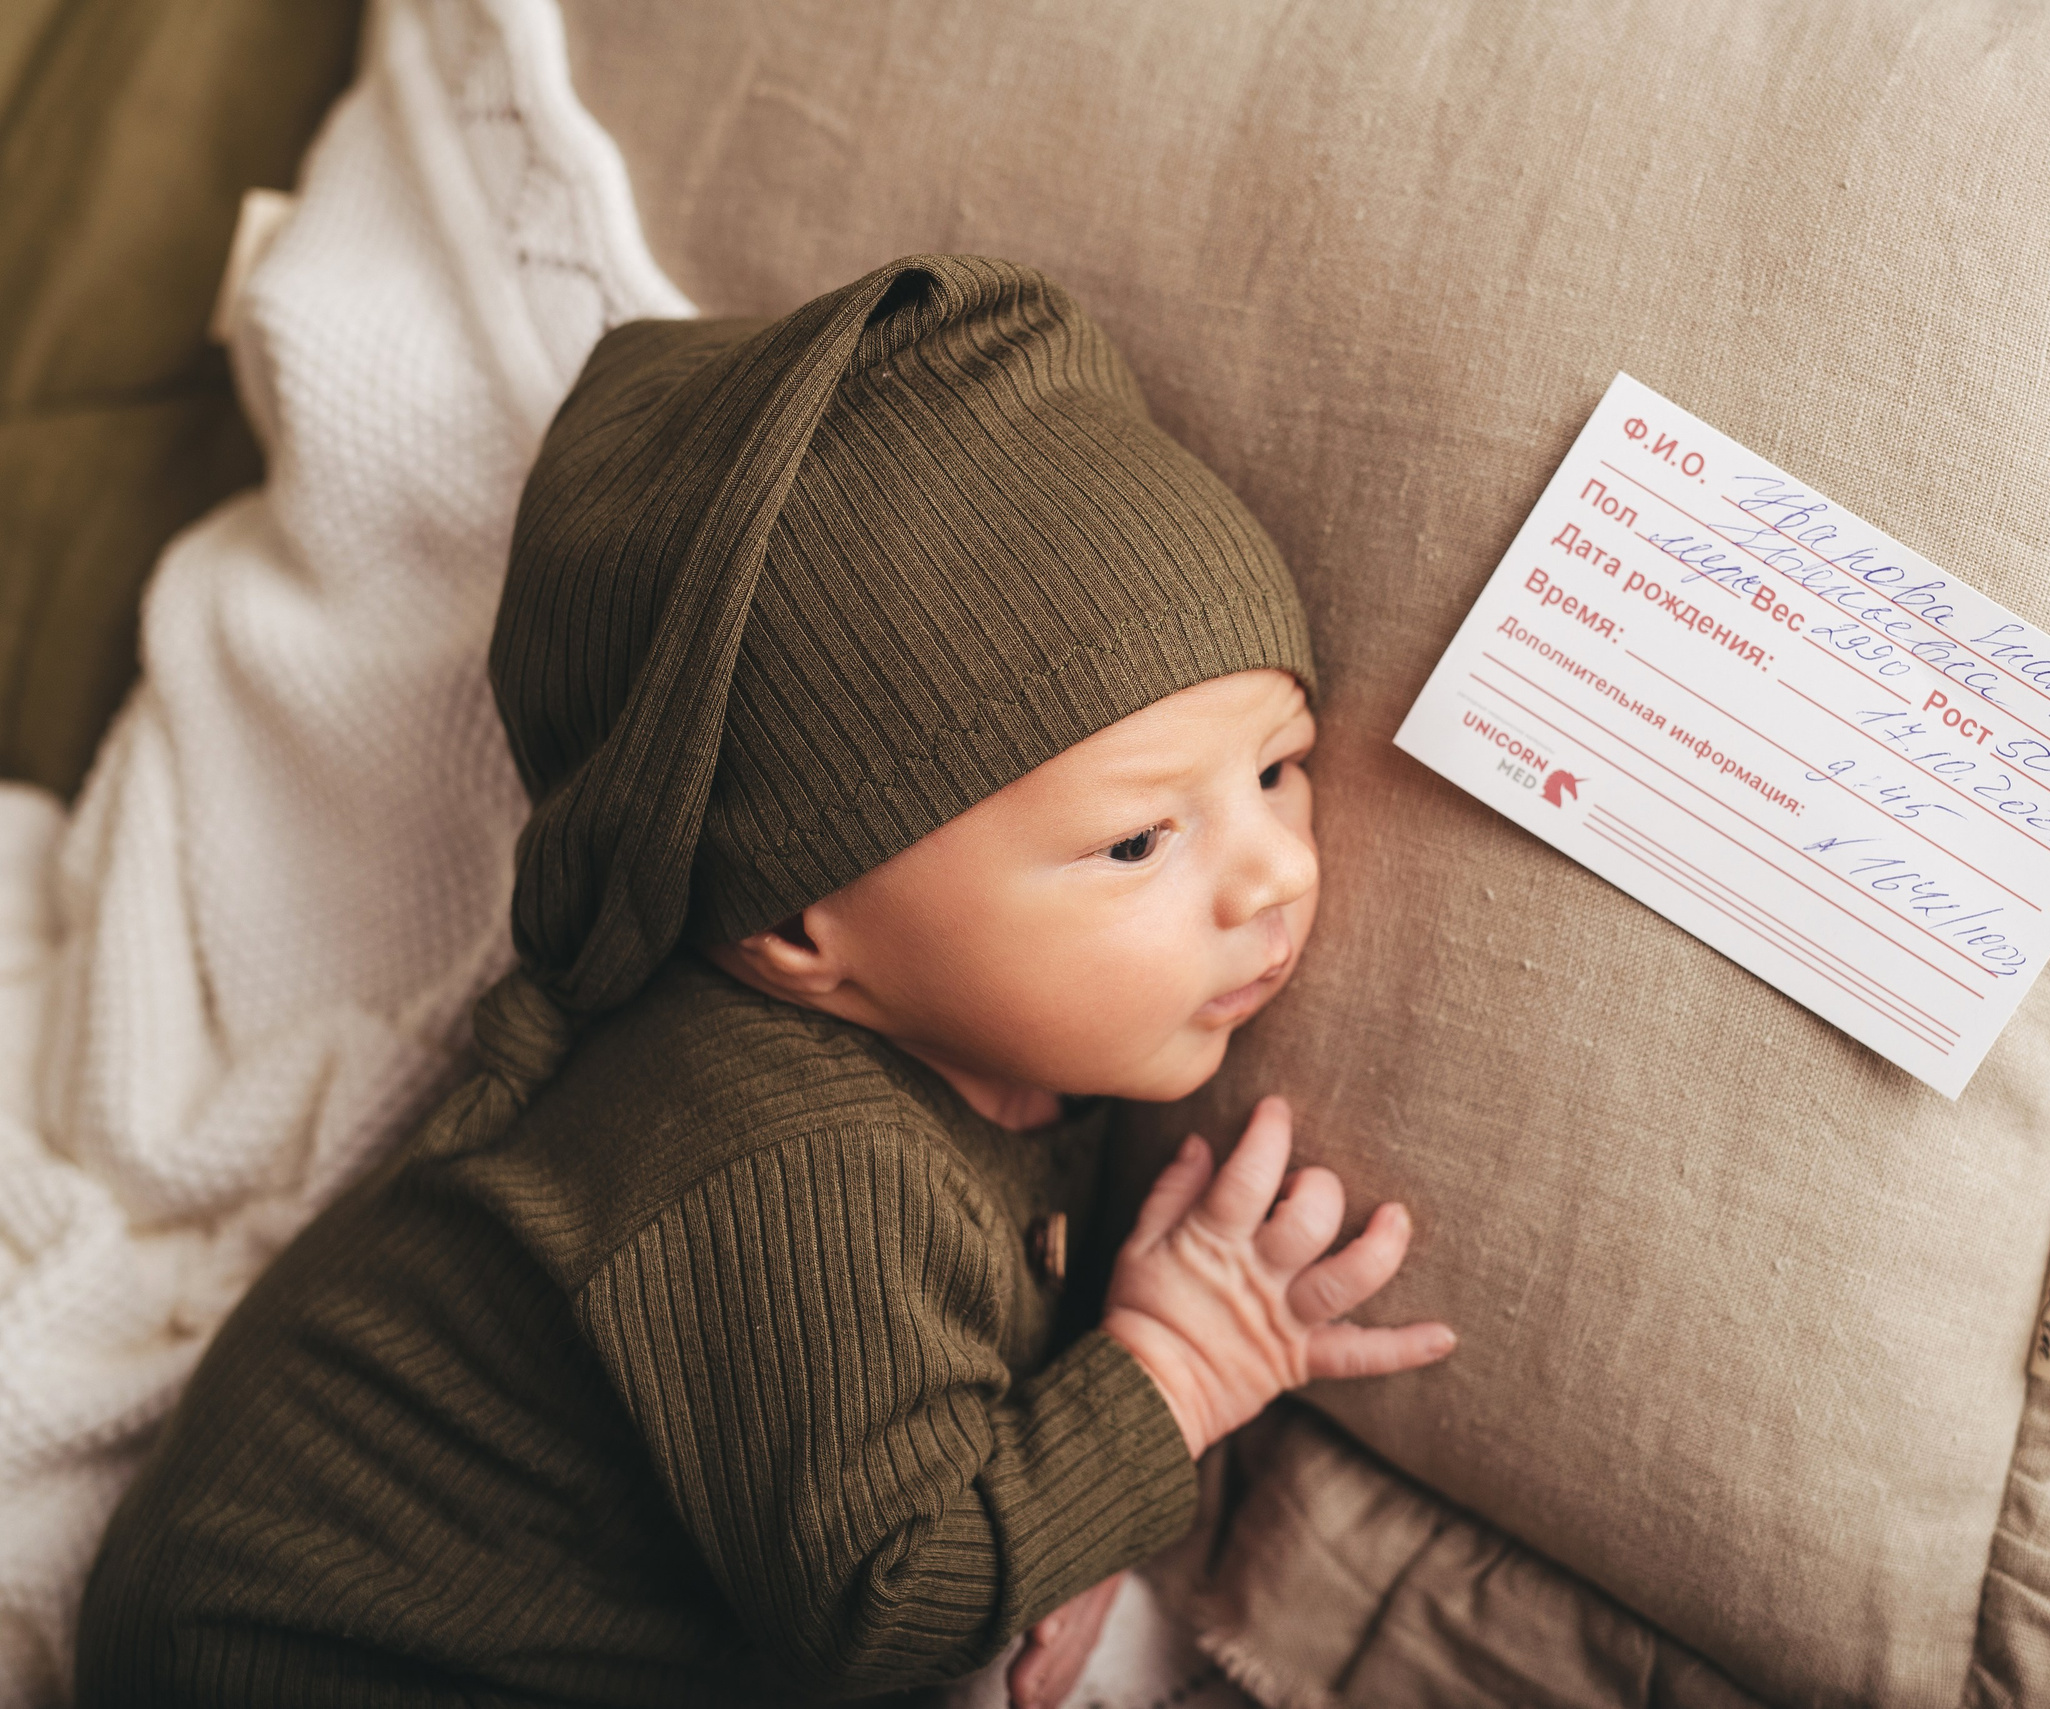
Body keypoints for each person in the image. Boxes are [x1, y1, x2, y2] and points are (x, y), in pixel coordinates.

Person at [77, 254, 1455, 1708]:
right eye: (1136, 839)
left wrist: (1059, 1518)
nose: (1277, 872)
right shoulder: (785, 1153)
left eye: (1276, 766)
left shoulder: (1013, 1041)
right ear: (802, 929)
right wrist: (1176, 1372)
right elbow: (886, 1598)